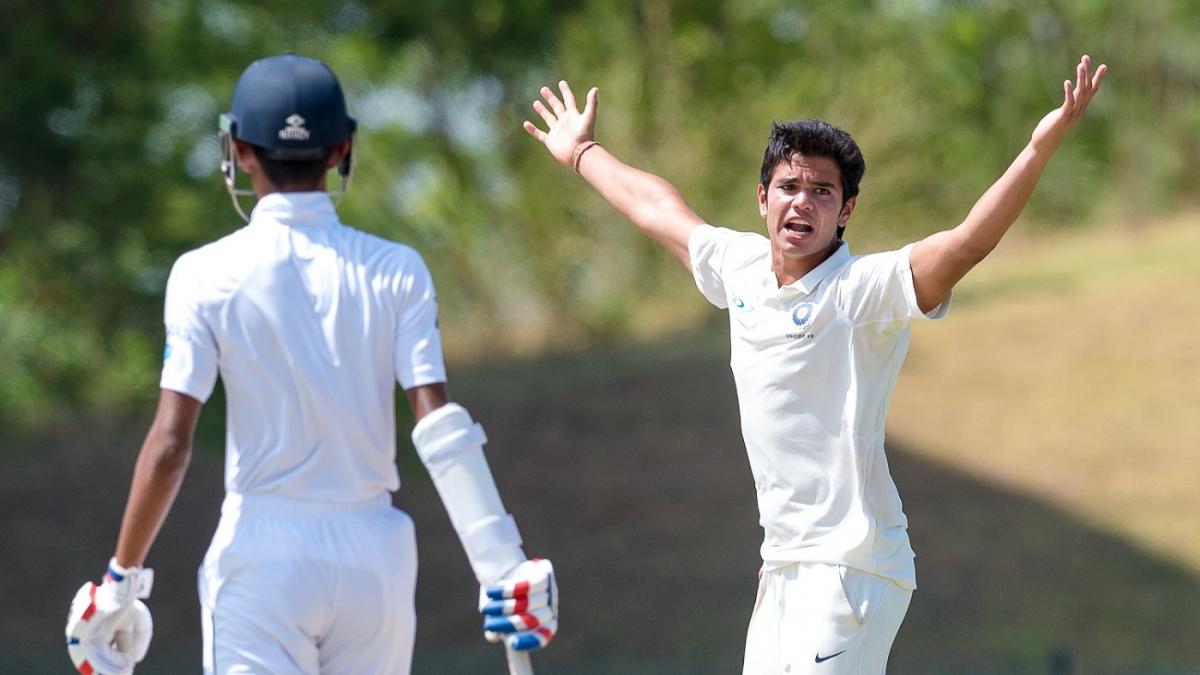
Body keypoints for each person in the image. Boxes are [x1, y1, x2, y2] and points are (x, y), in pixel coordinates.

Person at [522, 56, 1106, 674]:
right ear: (762, 197)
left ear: (846, 209)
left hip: (851, 568)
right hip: (784, 565)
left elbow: (966, 243)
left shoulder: (861, 291)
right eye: (789, 187)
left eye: (823, 191)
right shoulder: (740, 266)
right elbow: (658, 208)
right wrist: (582, 151)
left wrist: (1038, 151)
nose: (803, 203)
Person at [65, 53, 557, 675]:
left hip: (262, 553)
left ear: (240, 149)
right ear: (341, 150)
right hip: (374, 556)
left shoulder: (203, 274)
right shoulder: (396, 268)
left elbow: (170, 445)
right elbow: (438, 428)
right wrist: (502, 562)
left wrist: (120, 580)